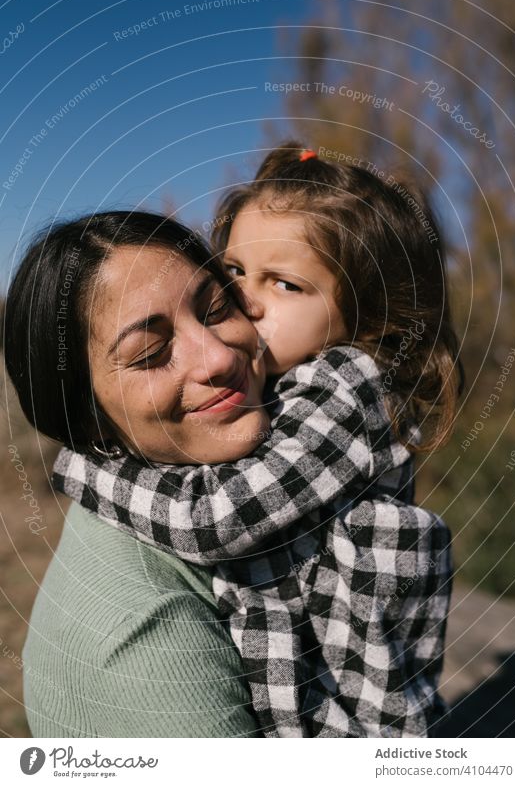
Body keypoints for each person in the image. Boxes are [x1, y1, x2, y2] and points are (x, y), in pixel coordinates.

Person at [53, 143, 463, 738]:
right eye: (237, 271)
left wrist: (82, 464)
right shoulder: (276, 387)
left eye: (287, 284)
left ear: (367, 317)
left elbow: (212, 518)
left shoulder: (349, 390)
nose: (246, 299)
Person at [4, 211, 269, 737]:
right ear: (88, 419)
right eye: (150, 354)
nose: (216, 356)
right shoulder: (141, 630)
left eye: (216, 309)